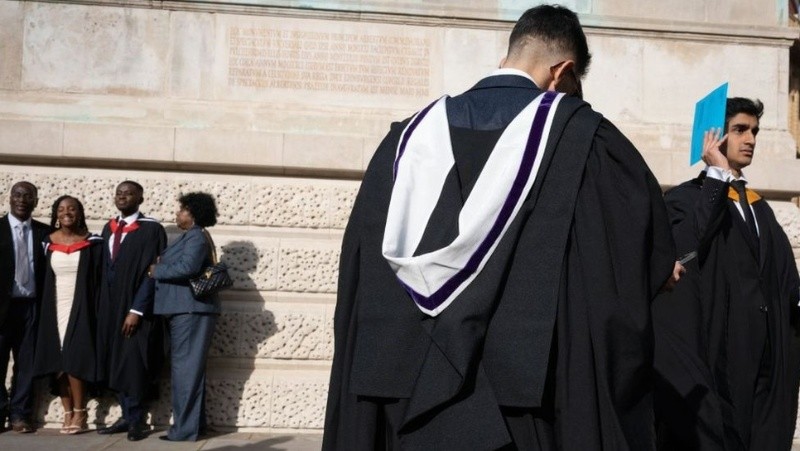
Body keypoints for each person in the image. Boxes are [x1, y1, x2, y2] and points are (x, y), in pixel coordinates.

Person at [323, 5, 676, 450]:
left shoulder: (404, 142)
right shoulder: (584, 140)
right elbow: (625, 267)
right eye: (572, 87)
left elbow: (357, 275)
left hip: (399, 394)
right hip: (525, 406)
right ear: (561, 70)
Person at [653, 98, 800, 450]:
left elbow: (783, 279)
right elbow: (687, 247)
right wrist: (716, 174)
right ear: (715, 137)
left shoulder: (759, 208)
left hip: (765, 355)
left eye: (755, 131)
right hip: (718, 351)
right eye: (739, 130)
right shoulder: (685, 199)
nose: (751, 139)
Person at [95, 181, 166, 441]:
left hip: (135, 308)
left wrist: (137, 309)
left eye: (129, 193)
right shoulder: (108, 228)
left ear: (140, 198)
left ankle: (137, 419)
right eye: (119, 193)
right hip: (109, 308)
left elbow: (152, 273)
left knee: (134, 362)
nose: (123, 197)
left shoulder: (152, 230)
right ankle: (126, 415)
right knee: (116, 361)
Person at [147, 192, 220, 442]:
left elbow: (188, 268)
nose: (177, 214)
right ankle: (195, 426)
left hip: (190, 311)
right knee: (189, 370)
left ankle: (184, 431)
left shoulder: (196, 237)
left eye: (182, 210)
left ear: (194, 213)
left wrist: (157, 269)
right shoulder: (192, 237)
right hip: (188, 310)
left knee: (185, 372)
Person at [33, 195, 103, 434]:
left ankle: (80, 412)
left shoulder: (92, 243)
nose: (66, 212)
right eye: (61, 209)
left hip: (81, 305)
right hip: (53, 305)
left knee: (75, 357)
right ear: (55, 214)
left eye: (72, 208)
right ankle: (67, 412)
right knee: (57, 359)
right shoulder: (46, 242)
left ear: (80, 212)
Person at [0, 181, 51, 433]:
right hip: (2, 308)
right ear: (9, 199)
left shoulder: (45, 233)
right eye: (17, 194)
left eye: (27, 195)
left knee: (27, 364)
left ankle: (20, 414)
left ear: (35, 201)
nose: (22, 199)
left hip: (32, 308)